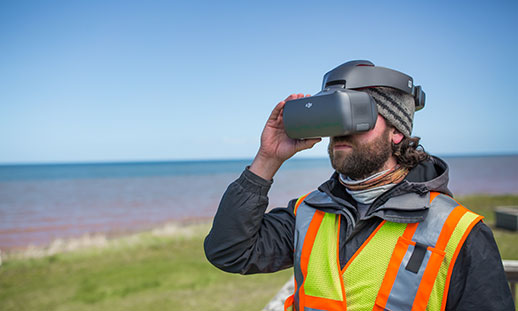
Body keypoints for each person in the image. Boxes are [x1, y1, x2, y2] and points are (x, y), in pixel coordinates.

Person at [204, 61, 515, 311]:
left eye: (356, 115)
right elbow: (230, 252)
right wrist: (267, 159)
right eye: (336, 117)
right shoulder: (308, 213)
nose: (341, 130)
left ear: (397, 132)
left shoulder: (457, 232)